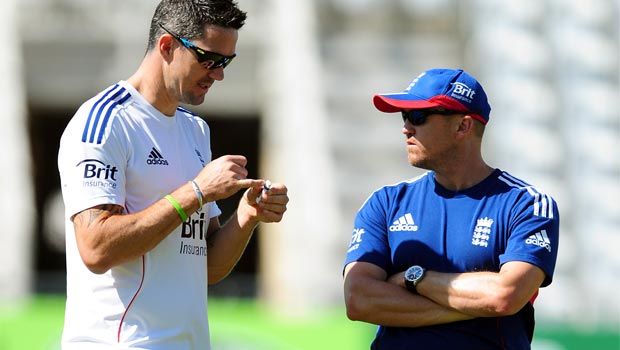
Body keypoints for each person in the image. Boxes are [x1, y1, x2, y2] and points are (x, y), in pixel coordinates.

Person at [57, 1, 289, 348]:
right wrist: (196, 191)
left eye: (227, 61)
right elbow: (95, 249)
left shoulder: (195, 130)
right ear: (167, 46)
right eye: (209, 59)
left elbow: (205, 268)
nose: (219, 73)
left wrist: (246, 215)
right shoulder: (105, 122)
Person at [343, 68, 559, 349]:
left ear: (463, 126)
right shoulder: (385, 203)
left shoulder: (527, 204)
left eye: (418, 116)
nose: (406, 127)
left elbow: (504, 296)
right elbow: (359, 300)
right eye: (404, 116)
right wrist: (472, 306)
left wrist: (414, 278)